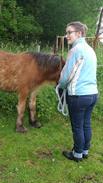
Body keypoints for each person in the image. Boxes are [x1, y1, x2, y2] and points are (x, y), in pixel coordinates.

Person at [58, 21, 98, 162]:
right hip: (92, 94)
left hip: (78, 95)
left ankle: (77, 154)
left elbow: (66, 75)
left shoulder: (76, 50)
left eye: (69, 32)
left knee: (77, 126)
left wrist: (60, 85)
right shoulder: (90, 50)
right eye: (66, 32)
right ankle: (85, 151)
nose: (66, 35)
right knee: (86, 123)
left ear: (79, 33)